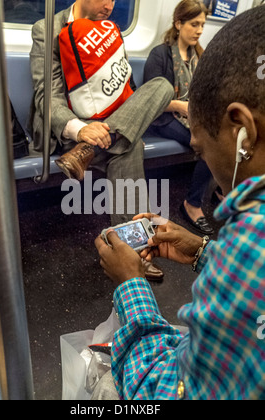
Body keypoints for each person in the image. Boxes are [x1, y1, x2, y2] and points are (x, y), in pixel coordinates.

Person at [95, 5, 265, 400]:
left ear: (243, 132)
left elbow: (165, 391)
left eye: (202, 150)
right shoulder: (160, 55)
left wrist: (130, 285)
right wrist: (205, 250)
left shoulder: (251, 242)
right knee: (129, 144)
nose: (204, 159)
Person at [29, 0, 175, 281]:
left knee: (162, 86)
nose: (111, 6)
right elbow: (48, 96)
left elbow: (124, 88)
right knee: (127, 147)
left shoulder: (110, 30)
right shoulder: (47, 29)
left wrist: (103, 130)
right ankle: (134, 253)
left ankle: (95, 146)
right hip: (67, 133)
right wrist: (80, 130)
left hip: (103, 128)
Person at [144, 0, 214, 235]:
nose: (200, 31)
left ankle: (220, 189)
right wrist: (183, 107)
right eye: (194, 24)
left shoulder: (200, 57)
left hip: (191, 115)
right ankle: (192, 205)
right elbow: (149, 99)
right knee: (209, 145)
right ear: (178, 23)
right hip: (163, 118)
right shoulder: (160, 54)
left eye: (202, 25)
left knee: (223, 136)